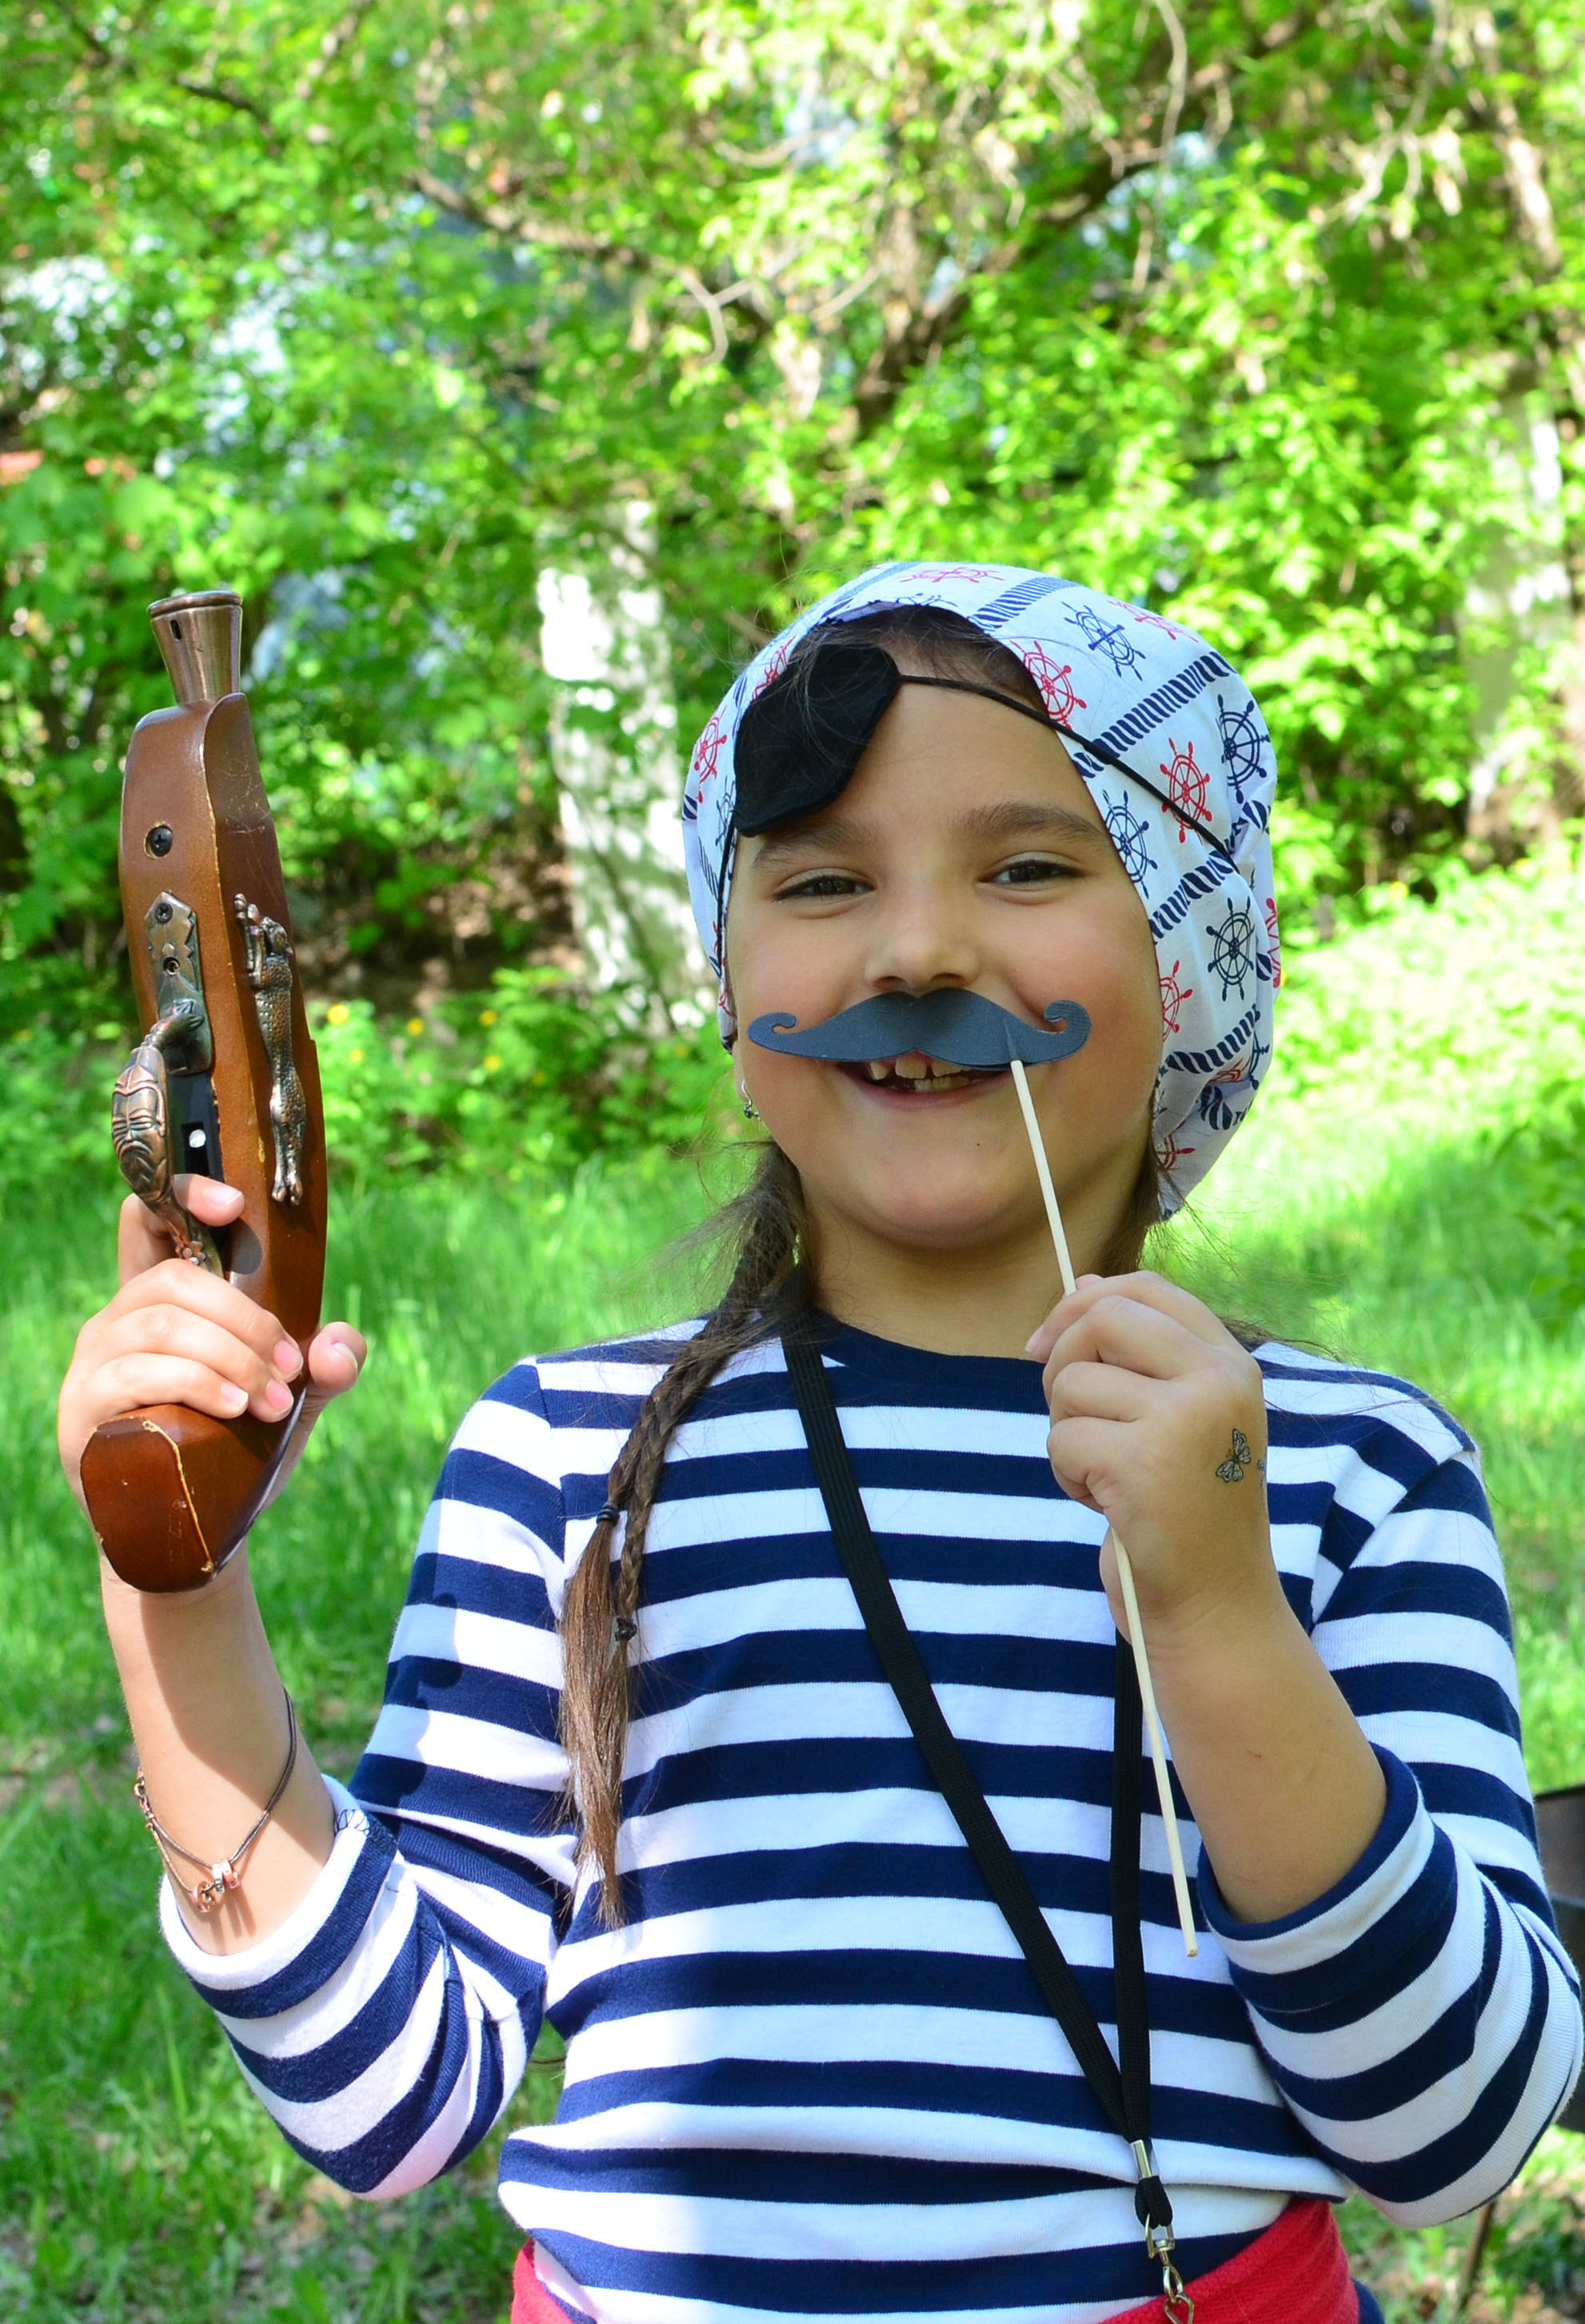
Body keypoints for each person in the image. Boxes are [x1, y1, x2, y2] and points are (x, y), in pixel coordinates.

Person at [58, 564, 1580, 2324]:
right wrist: (171, 1580)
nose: (916, 951)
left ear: (1193, 955)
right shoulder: (565, 1458)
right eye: (821, 880)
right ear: (730, 977)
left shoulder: (1350, 1472)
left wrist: (1222, 1615)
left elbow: (1451, 2132)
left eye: (1026, 868)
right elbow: (383, 2099)